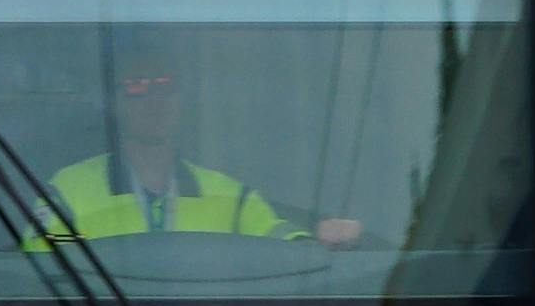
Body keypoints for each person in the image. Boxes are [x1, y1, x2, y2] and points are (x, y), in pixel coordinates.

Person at [38, 58, 361, 250]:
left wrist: (315, 242)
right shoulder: (68, 190)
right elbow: (48, 268)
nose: (155, 100)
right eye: (137, 87)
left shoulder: (229, 195)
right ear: (114, 104)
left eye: (165, 86)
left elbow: (277, 240)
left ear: (182, 102)